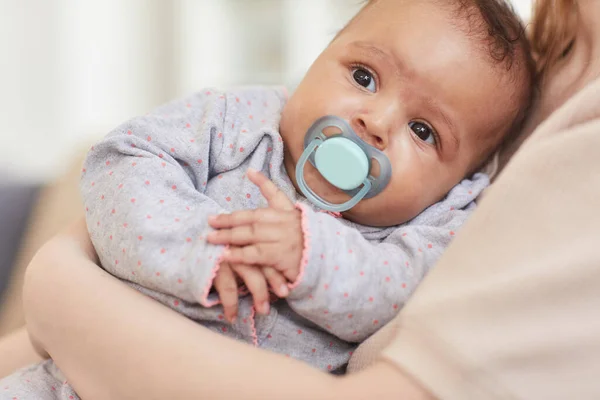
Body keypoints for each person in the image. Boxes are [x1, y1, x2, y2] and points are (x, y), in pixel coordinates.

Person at [3, 0, 600, 398]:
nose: (375, 121)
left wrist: (311, 258)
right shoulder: (237, 122)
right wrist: (194, 249)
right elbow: (119, 165)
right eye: (364, 77)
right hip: (69, 377)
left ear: (461, 183)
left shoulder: (428, 226)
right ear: (319, 59)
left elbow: (396, 292)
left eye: (424, 132)